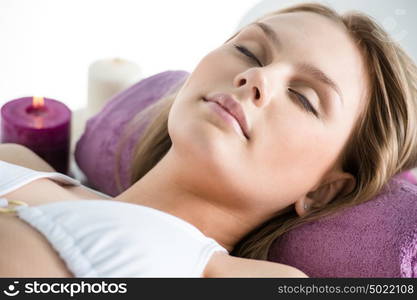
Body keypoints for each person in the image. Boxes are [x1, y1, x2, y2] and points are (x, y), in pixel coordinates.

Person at [1, 2, 417, 277]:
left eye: (303, 97)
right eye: (250, 53)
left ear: (325, 190)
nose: (256, 77)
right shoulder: (21, 161)